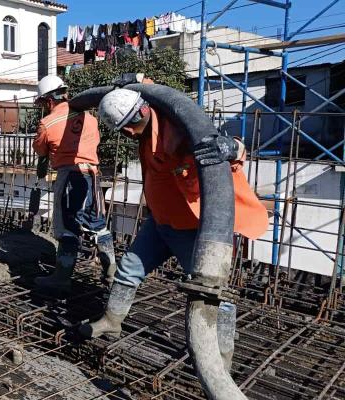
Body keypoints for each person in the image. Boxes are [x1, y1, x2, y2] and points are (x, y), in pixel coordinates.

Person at [77, 84, 268, 372]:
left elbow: (235, 148)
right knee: (129, 267)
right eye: (123, 129)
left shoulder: (180, 129)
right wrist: (134, 80)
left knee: (213, 292)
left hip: (194, 229)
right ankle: (112, 321)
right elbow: (152, 90)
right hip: (160, 223)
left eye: (131, 124)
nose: (128, 132)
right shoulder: (144, 127)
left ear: (144, 111)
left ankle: (220, 356)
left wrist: (233, 149)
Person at [32, 75, 117, 292]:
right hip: (93, 175)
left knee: (68, 227)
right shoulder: (90, 117)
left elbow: (40, 149)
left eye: (42, 103)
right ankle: (112, 274)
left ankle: (61, 278)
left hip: (69, 175)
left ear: (48, 101)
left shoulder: (48, 123)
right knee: (97, 224)